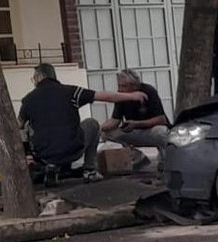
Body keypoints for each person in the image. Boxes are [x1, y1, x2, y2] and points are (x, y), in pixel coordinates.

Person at [20, 63, 149, 185]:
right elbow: (105, 96)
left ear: (40, 76)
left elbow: (18, 126)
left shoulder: (28, 100)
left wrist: (27, 153)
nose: (34, 81)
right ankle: (89, 171)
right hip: (73, 149)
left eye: (34, 78)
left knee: (26, 128)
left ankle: (51, 167)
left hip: (42, 155)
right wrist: (131, 96)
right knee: (92, 124)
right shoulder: (71, 92)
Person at [100, 69, 170, 170]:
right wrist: (99, 128)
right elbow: (114, 121)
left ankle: (166, 160)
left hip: (150, 130)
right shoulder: (121, 96)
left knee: (161, 132)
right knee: (108, 133)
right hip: (133, 131)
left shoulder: (149, 91)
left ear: (134, 86)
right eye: (119, 86)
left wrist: (136, 124)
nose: (120, 89)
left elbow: (161, 120)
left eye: (124, 86)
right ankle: (137, 157)